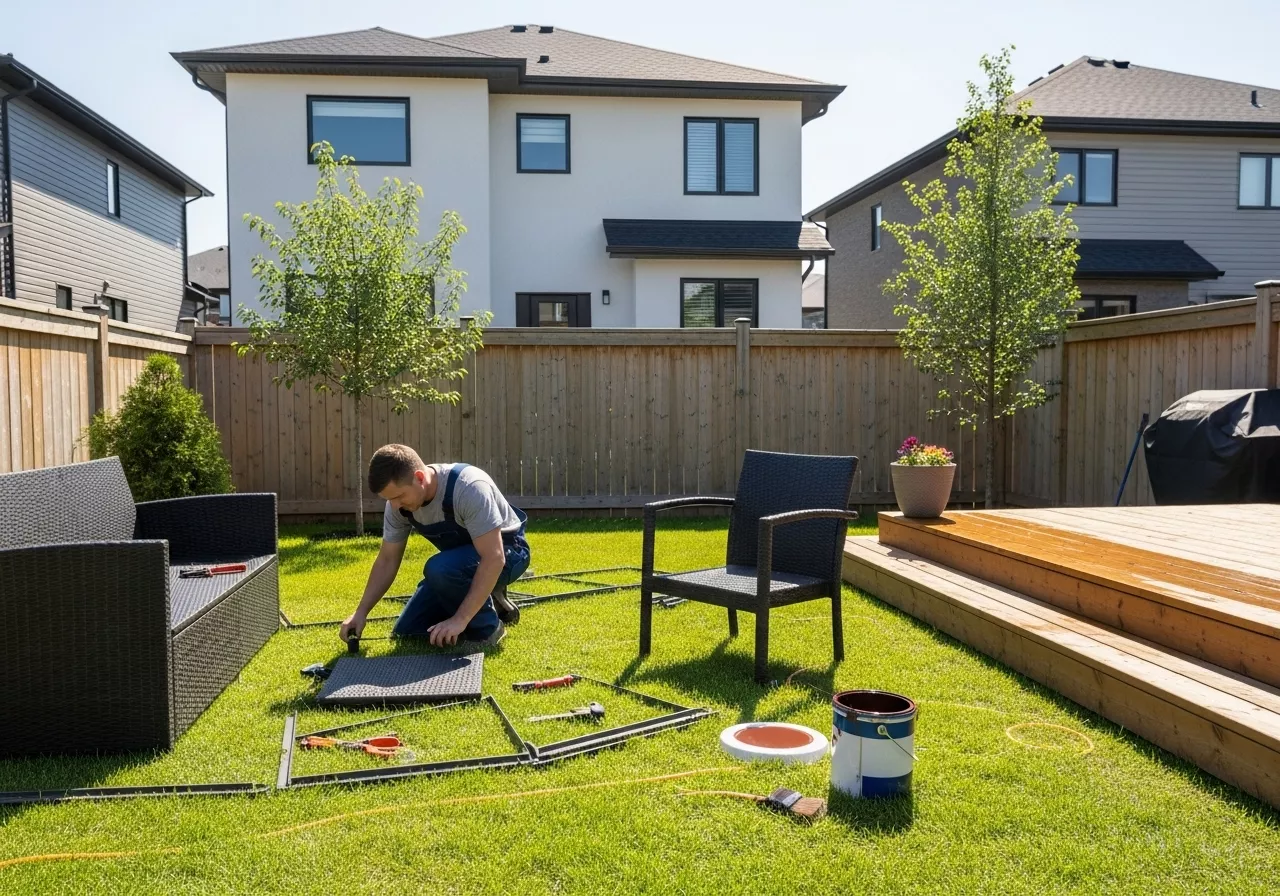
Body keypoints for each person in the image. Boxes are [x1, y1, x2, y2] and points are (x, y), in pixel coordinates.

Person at [341, 444, 530, 649]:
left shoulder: (469, 487)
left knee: (439, 568)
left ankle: (487, 629)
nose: (394, 505)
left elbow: (494, 558)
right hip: (460, 565)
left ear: (420, 478)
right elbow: (387, 560)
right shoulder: (398, 505)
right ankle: (491, 599)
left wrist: (460, 619)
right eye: (389, 499)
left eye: (398, 496)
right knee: (409, 630)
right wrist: (361, 612)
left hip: (509, 553)